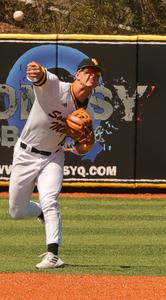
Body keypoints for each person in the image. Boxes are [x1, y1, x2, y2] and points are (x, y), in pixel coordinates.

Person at [8, 57, 103, 269]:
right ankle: (39, 212)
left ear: (97, 82)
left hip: (53, 156)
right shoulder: (55, 87)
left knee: (50, 199)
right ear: (77, 74)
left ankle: (53, 255)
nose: (92, 75)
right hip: (25, 154)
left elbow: (82, 146)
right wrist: (36, 71)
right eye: (87, 71)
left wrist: (81, 147)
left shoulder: (90, 114)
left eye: (96, 74)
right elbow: (42, 76)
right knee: (16, 211)